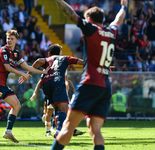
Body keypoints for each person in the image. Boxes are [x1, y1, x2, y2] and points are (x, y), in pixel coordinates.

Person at [50, 0, 127, 150]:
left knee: (68, 126)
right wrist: (124, 6)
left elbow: (71, 14)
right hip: (105, 87)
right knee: (95, 129)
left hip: (90, 83)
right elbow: (119, 19)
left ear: (89, 19)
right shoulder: (111, 31)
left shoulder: (91, 29)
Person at [0, 30, 49, 143]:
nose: (9, 40)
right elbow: (7, 68)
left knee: (17, 105)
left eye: (11, 39)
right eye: (8, 38)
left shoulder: (16, 53)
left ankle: (8, 132)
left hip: (3, 84)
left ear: (16, 40)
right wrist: (23, 74)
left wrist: (44, 72)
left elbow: (28, 67)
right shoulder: (3, 50)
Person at [19, 44, 83, 138]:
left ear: (49, 53)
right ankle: (58, 132)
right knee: (63, 109)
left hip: (46, 85)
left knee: (56, 108)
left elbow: (38, 61)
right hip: (57, 83)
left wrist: (28, 74)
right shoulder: (65, 58)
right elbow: (82, 62)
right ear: (60, 53)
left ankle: (58, 128)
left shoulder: (47, 60)